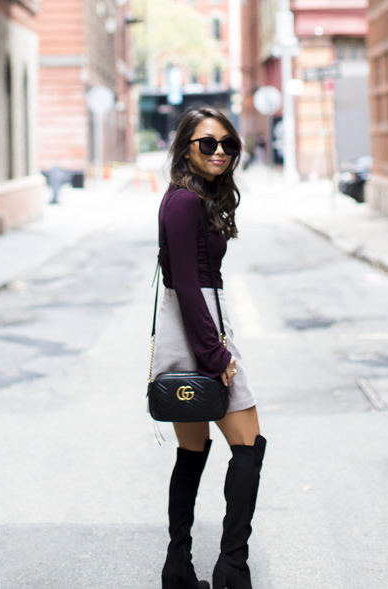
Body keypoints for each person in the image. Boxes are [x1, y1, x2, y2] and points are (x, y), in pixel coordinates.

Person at [150, 105, 266, 589]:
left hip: (192, 337)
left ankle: (178, 568)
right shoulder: (183, 203)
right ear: (185, 147)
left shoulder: (196, 198)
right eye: (207, 143)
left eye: (228, 145)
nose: (219, 152)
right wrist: (217, 356)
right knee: (248, 446)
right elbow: (190, 288)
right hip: (200, 336)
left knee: (192, 454)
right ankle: (231, 568)